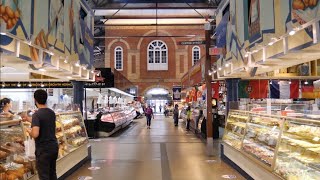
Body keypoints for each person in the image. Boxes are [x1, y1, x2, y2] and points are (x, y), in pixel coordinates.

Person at [22, 89, 58, 180]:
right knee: (52, 173)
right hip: (53, 147)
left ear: (35, 100)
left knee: (44, 176)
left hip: (43, 150)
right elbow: (44, 122)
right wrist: (29, 119)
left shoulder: (37, 115)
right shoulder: (51, 112)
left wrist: (28, 130)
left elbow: (35, 134)